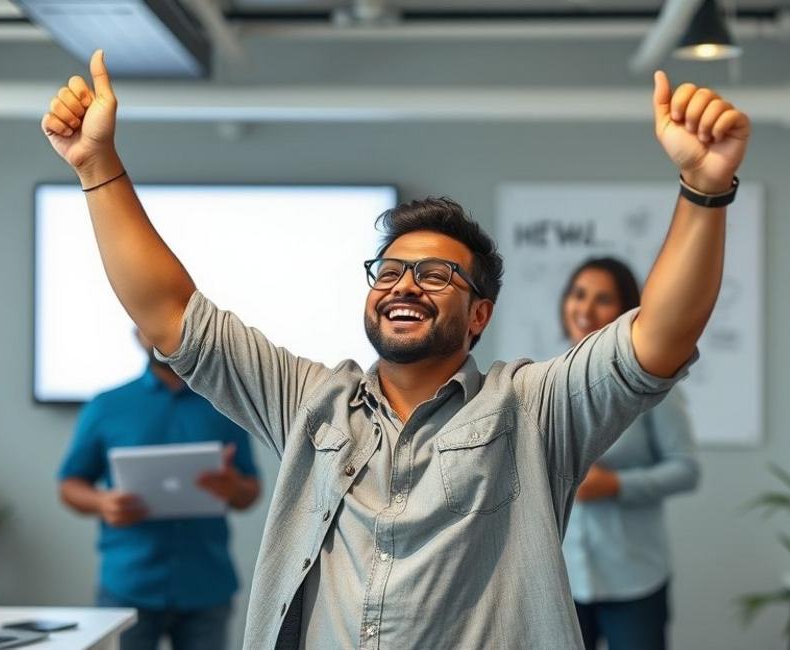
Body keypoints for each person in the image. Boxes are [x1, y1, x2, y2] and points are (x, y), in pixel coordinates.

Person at [40, 49, 750, 649]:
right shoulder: (308, 403)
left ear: (479, 315)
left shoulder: (534, 409)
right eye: (390, 271)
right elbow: (170, 315)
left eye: (437, 274)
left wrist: (705, 190)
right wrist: (98, 167)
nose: (405, 284)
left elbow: (660, 335)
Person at [57, 330, 261, 650]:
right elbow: (69, 484)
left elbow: (252, 490)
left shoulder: (224, 405)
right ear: (136, 336)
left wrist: (234, 487)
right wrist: (101, 502)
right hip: (128, 586)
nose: (159, 334)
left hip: (206, 586)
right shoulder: (107, 405)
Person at [559, 257, 701, 650]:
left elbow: (686, 469)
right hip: (561, 580)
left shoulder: (653, 385)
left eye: (602, 299)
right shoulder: (548, 381)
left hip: (634, 579)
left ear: (625, 311)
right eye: (578, 294)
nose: (585, 309)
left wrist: (615, 485)